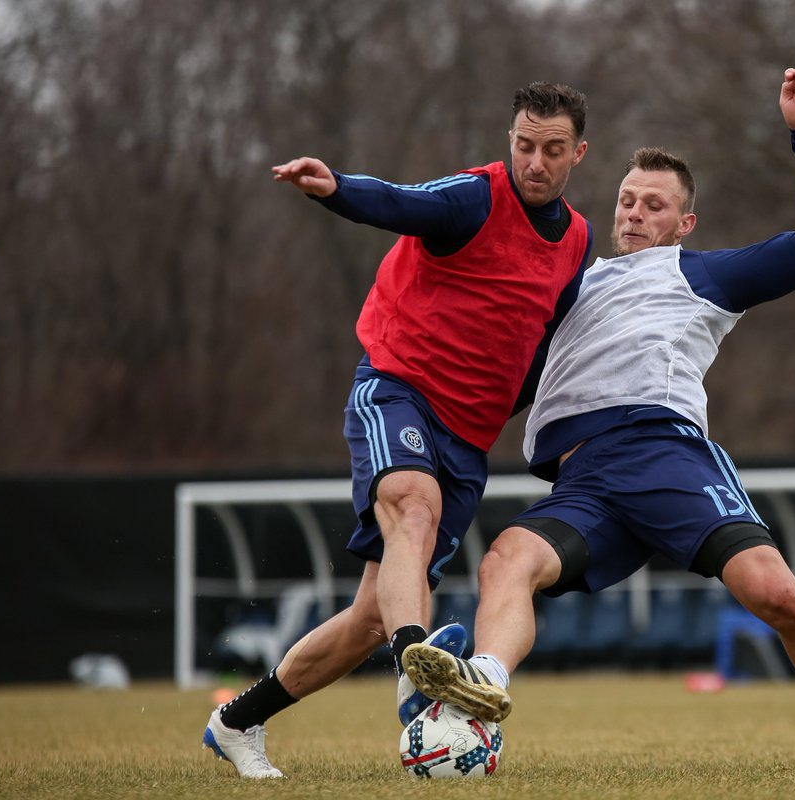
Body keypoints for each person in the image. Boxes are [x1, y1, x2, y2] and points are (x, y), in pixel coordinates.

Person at [402, 67, 795, 770]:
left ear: (684, 224)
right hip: (584, 480)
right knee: (507, 560)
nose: (635, 212)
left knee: (774, 595)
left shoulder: (700, 275)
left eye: (654, 204)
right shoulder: (569, 283)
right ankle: (485, 690)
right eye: (626, 199)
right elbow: (508, 380)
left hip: (665, 459)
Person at [202, 82, 594, 778]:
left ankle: (237, 721)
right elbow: (403, 202)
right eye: (525, 145)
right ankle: (416, 669)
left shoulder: (578, 242)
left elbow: (546, 350)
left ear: (578, 154)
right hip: (399, 385)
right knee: (414, 504)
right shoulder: (476, 197)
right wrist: (336, 188)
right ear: (511, 143)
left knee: (367, 620)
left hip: (468, 438)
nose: (536, 161)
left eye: (553, 150)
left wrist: (547, 418)